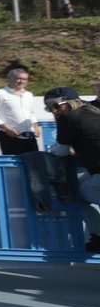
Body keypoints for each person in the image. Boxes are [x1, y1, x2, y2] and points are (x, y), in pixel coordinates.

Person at [45, 87, 100, 253]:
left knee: (78, 197)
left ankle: (98, 235)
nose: (54, 111)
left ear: (73, 102)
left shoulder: (69, 118)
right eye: (50, 108)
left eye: (57, 106)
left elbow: (60, 151)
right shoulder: (93, 113)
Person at [0, 64, 42, 155]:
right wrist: (7, 129)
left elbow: (31, 113)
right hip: (9, 135)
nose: (21, 81)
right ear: (10, 78)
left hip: (29, 135)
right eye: (18, 78)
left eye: (24, 79)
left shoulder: (28, 95)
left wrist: (36, 126)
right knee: (14, 164)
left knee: (35, 162)